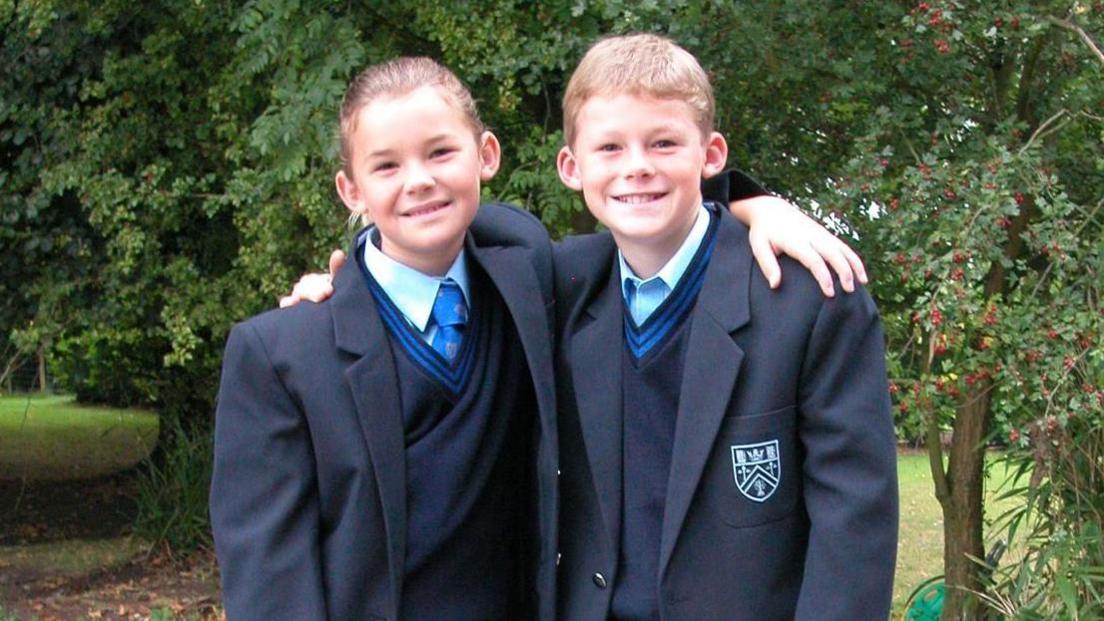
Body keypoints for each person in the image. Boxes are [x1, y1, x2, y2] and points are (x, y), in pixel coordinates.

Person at [550, 34, 898, 620]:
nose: (637, 166)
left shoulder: (810, 300)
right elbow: (448, 239)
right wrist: (342, 284)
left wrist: (753, 204)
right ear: (571, 166)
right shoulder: (561, 288)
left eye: (663, 143)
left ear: (710, 156)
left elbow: (854, 524)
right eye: (609, 147)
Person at [210, 57, 561, 621]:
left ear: (486, 155)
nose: (419, 180)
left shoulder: (529, 282)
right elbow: (270, 585)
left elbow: (646, 202)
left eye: (441, 152)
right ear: (351, 190)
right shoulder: (283, 356)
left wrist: (749, 203)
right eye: (387, 165)